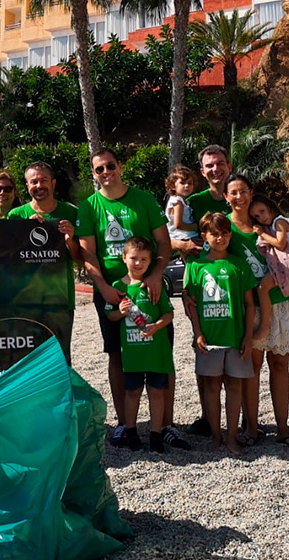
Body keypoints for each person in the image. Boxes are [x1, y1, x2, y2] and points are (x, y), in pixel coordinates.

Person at [75, 148, 187, 450]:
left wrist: (156, 274)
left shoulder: (143, 199)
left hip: (149, 289)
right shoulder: (88, 206)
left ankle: (165, 425)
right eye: (99, 169)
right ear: (94, 174)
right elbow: (88, 253)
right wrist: (102, 287)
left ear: (119, 166)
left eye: (110, 166)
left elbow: (163, 243)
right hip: (113, 290)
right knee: (118, 354)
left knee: (161, 352)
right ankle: (127, 425)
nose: (105, 172)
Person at [224, 174, 289, 446]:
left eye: (244, 191)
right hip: (251, 306)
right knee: (253, 366)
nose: (239, 197)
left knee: (280, 363)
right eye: (233, 193)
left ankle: (283, 429)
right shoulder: (225, 228)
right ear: (226, 197)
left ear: (251, 193)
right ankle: (251, 427)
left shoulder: (269, 223)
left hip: (281, 301)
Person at [182, 212, 257, 455]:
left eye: (225, 232)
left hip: (235, 339)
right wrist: (198, 333)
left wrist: (248, 337)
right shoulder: (196, 265)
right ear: (204, 236)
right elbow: (191, 304)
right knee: (211, 388)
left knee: (234, 388)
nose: (220, 237)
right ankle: (216, 437)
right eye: (214, 233)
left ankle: (233, 436)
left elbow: (249, 304)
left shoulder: (239, 264)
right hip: (209, 340)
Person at [177, 144, 232, 438]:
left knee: (238, 350)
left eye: (220, 163)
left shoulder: (238, 194)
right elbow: (168, 236)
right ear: (202, 171)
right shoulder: (192, 201)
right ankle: (207, 416)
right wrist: (184, 246)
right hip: (200, 281)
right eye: (209, 165)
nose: (215, 169)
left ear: (229, 165)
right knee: (203, 345)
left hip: (234, 281)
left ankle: (242, 417)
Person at [104, 237, 175, 453]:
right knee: (132, 392)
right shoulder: (117, 286)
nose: (138, 263)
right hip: (132, 354)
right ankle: (131, 431)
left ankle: (155, 434)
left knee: (156, 392)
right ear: (124, 258)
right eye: (134, 258)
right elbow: (110, 315)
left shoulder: (155, 283)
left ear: (150, 261)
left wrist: (156, 326)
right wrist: (121, 312)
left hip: (155, 351)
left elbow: (169, 313)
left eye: (144, 259)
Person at [7, 161, 82, 311]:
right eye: (33, 182)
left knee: (60, 336)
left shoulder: (71, 212)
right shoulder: (16, 215)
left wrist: (70, 241)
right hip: (28, 298)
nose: (39, 186)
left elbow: (80, 259)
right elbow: (10, 261)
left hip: (61, 297)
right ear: (27, 186)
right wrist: (25, 231)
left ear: (53, 183)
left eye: (43, 180)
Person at [250, 193, 289, 296]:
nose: (261, 217)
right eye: (256, 216)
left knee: (262, 288)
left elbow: (280, 244)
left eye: (262, 211)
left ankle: (265, 313)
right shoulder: (273, 224)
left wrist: (262, 233)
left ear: (270, 207)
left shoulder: (279, 222)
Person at [165, 165, 199, 243]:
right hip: (183, 236)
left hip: (186, 235)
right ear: (173, 186)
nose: (186, 186)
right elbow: (178, 224)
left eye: (190, 183)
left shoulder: (182, 201)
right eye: (182, 183)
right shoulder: (177, 202)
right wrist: (197, 227)